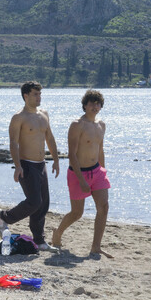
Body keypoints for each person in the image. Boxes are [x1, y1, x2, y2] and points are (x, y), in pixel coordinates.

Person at [0, 81, 59, 252]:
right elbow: (14, 143)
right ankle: (4, 217)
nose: (39, 97)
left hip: (41, 164)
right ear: (26, 96)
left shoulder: (43, 114)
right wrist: (17, 166)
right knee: (34, 201)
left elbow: (50, 138)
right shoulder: (19, 117)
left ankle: (39, 241)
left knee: (43, 203)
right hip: (26, 164)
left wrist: (56, 160)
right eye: (35, 94)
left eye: (40, 94)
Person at [52, 90, 112, 259]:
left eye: (98, 103)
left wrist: (103, 171)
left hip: (97, 171)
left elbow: (100, 150)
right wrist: (81, 179)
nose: (95, 106)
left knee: (104, 207)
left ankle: (96, 247)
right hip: (78, 173)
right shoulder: (77, 124)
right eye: (91, 103)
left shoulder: (101, 125)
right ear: (85, 105)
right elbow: (72, 154)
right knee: (77, 213)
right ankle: (58, 232)